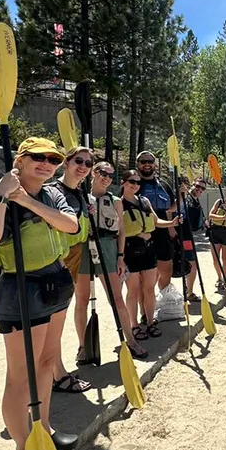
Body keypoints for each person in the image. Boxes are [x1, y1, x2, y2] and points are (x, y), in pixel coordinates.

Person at [0, 137, 80, 450]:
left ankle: (42, 430)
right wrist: (4, 195)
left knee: (46, 363)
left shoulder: (52, 193)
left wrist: (27, 201)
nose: (46, 164)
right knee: (20, 377)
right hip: (20, 291)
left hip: (54, 284)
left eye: (53, 159)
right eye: (38, 158)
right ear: (20, 159)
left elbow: (70, 226)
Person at [44, 146, 95, 393]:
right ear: (66, 162)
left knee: (57, 319)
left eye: (88, 164)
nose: (83, 167)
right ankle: (58, 374)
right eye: (79, 161)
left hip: (73, 257)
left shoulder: (79, 193)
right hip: (58, 259)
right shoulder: (53, 192)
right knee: (54, 320)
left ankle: (54, 371)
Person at [90, 161, 148, 359]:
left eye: (110, 174)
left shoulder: (115, 200)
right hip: (84, 248)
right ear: (93, 173)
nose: (106, 177)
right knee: (82, 301)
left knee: (116, 298)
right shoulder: (81, 196)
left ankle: (130, 340)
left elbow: (121, 230)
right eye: (102, 173)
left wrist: (120, 257)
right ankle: (84, 348)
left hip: (107, 246)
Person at [118, 169, 180, 342]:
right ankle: (134, 325)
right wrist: (120, 256)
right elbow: (118, 230)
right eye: (132, 181)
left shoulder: (144, 201)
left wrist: (171, 223)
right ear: (123, 182)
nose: (136, 185)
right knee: (133, 290)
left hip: (148, 249)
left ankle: (151, 321)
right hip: (131, 251)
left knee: (149, 289)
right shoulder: (118, 203)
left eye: (138, 182)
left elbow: (156, 221)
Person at [134, 151, 177, 293]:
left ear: (155, 165)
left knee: (166, 270)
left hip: (162, 233)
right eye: (143, 161)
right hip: (141, 235)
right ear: (138, 164)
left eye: (150, 161)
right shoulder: (133, 184)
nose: (147, 164)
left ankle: (163, 301)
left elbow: (170, 208)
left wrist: (171, 226)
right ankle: (146, 312)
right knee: (144, 278)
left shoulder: (163, 185)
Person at [181, 177, 207, 302]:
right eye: (197, 186)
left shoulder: (195, 201)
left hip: (189, 236)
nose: (199, 190)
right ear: (192, 185)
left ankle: (188, 290)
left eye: (202, 188)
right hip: (183, 237)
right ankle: (189, 292)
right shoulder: (185, 200)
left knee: (191, 264)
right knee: (192, 265)